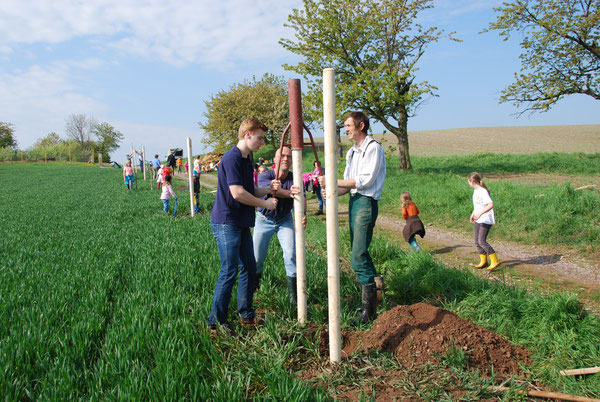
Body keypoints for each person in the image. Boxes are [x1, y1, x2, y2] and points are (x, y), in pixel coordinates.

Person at [208, 118, 280, 334]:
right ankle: (215, 322)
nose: (262, 142)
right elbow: (237, 193)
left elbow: (248, 190)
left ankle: (246, 315)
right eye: (259, 138)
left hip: (240, 222)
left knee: (249, 267)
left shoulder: (247, 159)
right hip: (226, 222)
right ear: (247, 134)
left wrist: (267, 189)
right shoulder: (231, 158)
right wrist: (265, 204)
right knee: (229, 270)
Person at [318, 111, 386, 324]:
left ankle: (369, 312)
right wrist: (330, 190)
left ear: (361, 125)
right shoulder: (351, 153)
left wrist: (331, 180)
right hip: (354, 202)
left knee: (357, 255)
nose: (345, 129)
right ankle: (376, 293)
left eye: (348, 126)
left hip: (366, 203)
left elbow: (364, 181)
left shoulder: (373, 149)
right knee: (359, 252)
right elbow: (347, 184)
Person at [253, 147, 305, 306]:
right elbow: (275, 190)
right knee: (257, 258)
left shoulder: (295, 177)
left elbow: (301, 196)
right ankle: (255, 290)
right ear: (274, 160)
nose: (285, 159)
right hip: (264, 219)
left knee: (291, 254)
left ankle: (294, 297)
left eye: (289, 156)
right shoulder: (265, 175)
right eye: (282, 156)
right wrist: (289, 193)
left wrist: (303, 213)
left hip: (285, 219)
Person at [468, 172, 500, 270]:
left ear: (472, 181)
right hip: (478, 218)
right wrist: (473, 214)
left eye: (468, 181)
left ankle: (494, 261)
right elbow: (478, 205)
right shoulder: (475, 191)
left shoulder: (482, 191)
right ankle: (483, 261)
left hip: (486, 219)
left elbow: (490, 204)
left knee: (482, 241)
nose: (468, 183)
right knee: (476, 241)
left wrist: (480, 214)